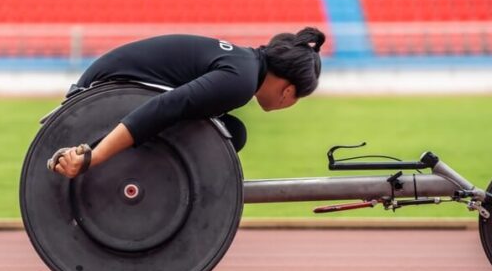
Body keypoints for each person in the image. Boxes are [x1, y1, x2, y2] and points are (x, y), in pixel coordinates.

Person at [50, 27, 325, 178]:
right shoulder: (240, 81)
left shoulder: (245, 66)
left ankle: (170, 181)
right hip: (101, 91)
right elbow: (166, 107)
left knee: (233, 132)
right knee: (227, 133)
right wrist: (94, 156)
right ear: (288, 91)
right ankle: (158, 181)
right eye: (297, 97)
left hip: (118, 84)